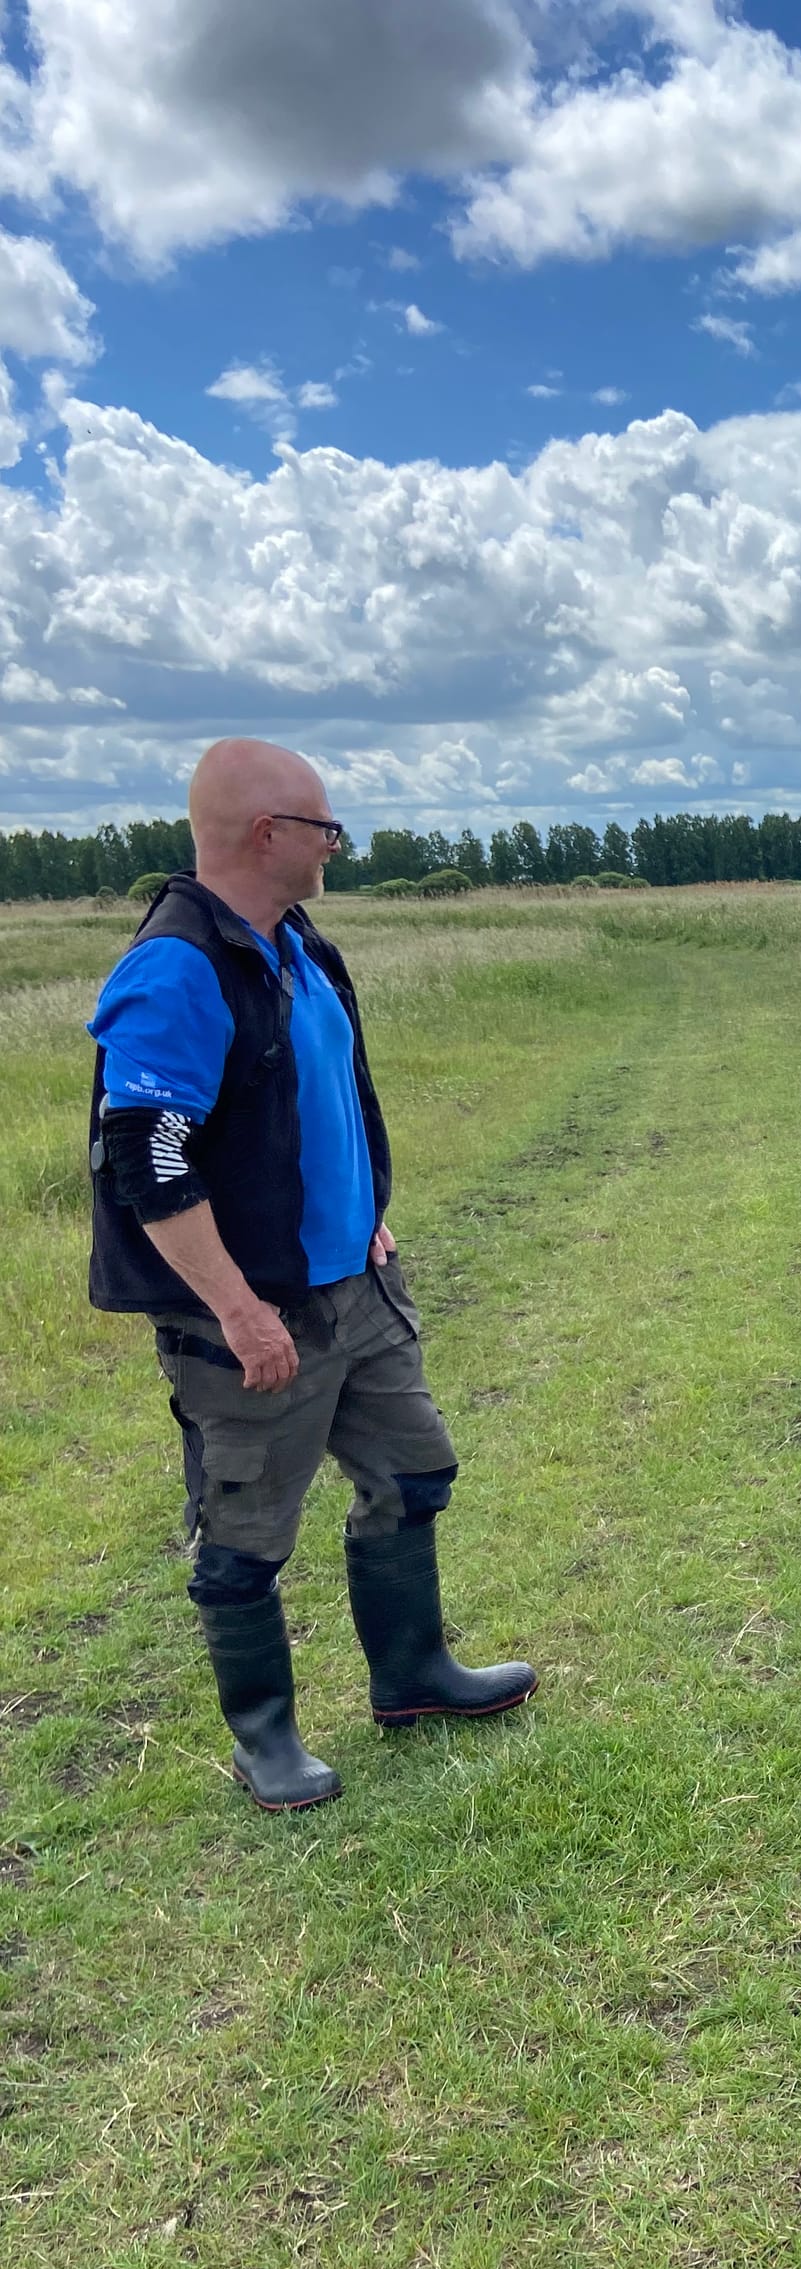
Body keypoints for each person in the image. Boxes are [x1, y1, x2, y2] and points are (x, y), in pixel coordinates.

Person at [86, 739, 536, 1814]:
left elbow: (320, 1105)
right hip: (253, 1315)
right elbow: (148, 1156)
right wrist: (235, 1308)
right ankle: (265, 1742)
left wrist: (367, 1218)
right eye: (324, 825)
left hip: (355, 1289)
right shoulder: (176, 966)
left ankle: (412, 1677)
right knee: (243, 1540)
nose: (337, 843)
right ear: (264, 833)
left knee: (414, 1476)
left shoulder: (298, 945)